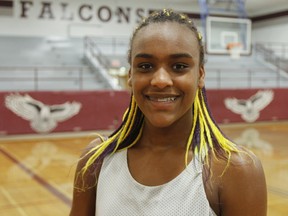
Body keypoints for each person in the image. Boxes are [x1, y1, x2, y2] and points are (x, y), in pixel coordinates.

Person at [70, 9, 267, 216]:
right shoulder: (97, 161)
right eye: (145, 66)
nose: (160, 80)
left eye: (179, 66)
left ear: (200, 75)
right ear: (130, 75)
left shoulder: (234, 169)